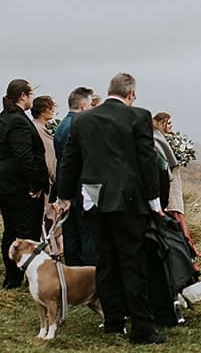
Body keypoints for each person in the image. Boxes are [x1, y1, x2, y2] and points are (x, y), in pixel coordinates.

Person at [58, 73, 166, 344]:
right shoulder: (138, 116)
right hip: (128, 201)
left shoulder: (82, 119)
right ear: (130, 94)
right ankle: (142, 328)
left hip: (92, 199)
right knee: (132, 262)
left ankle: (113, 322)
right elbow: (147, 161)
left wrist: (64, 196)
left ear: (109, 91)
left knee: (105, 262)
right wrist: (155, 202)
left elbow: (70, 160)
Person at [0, 79, 50, 289]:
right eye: (31, 94)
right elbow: (24, 156)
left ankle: (13, 277)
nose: (32, 99)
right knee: (26, 233)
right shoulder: (17, 120)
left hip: (5, 183)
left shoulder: (4, 117)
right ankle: (20, 277)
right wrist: (35, 184)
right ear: (23, 96)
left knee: (11, 230)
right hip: (19, 185)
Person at [52, 87, 95, 266]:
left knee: (71, 235)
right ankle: (88, 276)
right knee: (86, 234)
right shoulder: (79, 126)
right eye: (91, 104)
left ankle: (72, 272)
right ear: (83, 105)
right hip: (79, 187)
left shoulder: (62, 125)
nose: (93, 107)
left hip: (65, 185)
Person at [153, 112, 201, 257]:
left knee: (176, 207)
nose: (171, 126)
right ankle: (183, 247)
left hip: (174, 180)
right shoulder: (159, 140)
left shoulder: (170, 139)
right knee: (173, 209)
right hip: (167, 180)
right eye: (168, 123)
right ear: (161, 123)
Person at [31, 95, 60, 250]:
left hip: (45, 180)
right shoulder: (40, 130)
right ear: (43, 111)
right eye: (50, 108)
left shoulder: (37, 127)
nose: (53, 110)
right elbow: (50, 158)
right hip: (46, 182)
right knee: (49, 218)